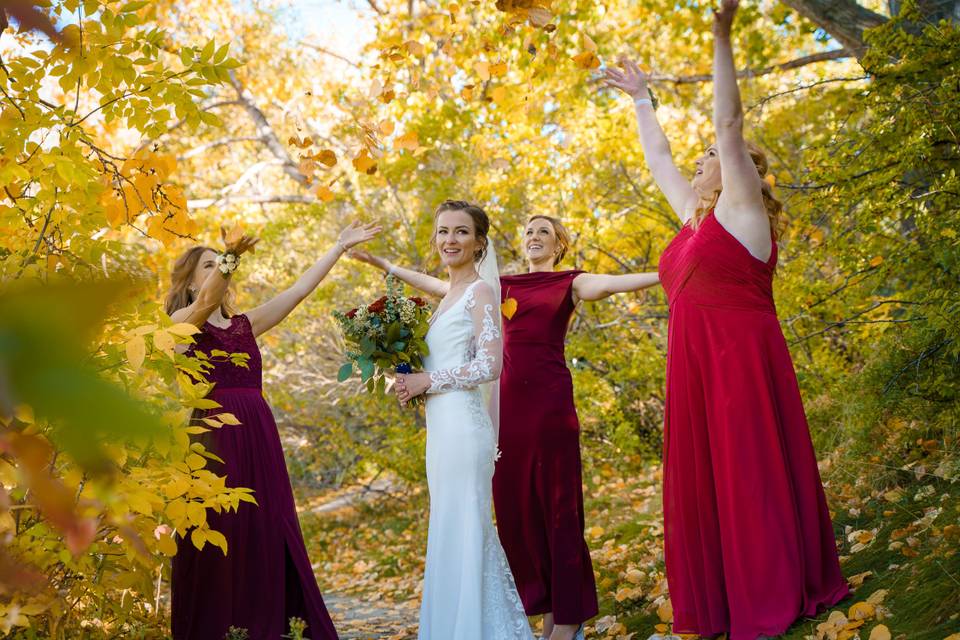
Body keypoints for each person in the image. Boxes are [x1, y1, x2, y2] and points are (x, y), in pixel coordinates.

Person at [604, 2, 849, 638]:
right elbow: (659, 158)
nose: (701, 159)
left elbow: (730, 120)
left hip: (738, 358)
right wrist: (641, 100)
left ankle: (768, 591)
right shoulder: (694, 217)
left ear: (745, 170)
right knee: (708, 480)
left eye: (710, 154)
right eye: (704, 155)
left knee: (748, 469)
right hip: (692, 364)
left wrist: (720, 34)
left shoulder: (743, 208)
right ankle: (719, 600)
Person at [353, 214, 659, 640]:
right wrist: (384, 266)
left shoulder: (570, 282)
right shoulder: (501, 287)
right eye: (530, 231)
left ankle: (569, 616)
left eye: (544, 233)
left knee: (558, 510)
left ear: (559, 245)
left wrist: (669, 271)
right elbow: (443, 289)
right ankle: (549, 609)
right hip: (504, 412)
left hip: (549, 407)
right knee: (518, 515)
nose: (534, 237)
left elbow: (609, 285)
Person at [165, 221, 380, 640]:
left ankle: (273, 624)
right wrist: (229, 258)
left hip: (258, 433)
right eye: (207, 266)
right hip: (214, 437)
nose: (218, 273)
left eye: (220, 264)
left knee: (266, 525)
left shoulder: (246, 325)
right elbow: (208, 300)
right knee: (221, 528)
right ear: (190, 284)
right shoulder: (181, 322)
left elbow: (298, 292)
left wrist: (337, 248)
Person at [392, 200, 533, 640]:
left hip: (464, 429)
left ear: (479, 243)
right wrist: (405, 380)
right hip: (441, 432)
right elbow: (447, 362)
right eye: (443, 232)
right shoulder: (447, 297)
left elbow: (490, 366)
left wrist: (427, 380)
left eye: (460, 232)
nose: (449, 240)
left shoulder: (480, 292)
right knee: (449, 528)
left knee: (467, 527)